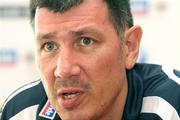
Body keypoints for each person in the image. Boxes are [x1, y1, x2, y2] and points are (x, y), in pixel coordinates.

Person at [1, 0, 180, 120]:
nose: (63, 70)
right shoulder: (21, 112)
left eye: (85, 41)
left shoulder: (172, 106)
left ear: (129, 47)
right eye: (49, 46)